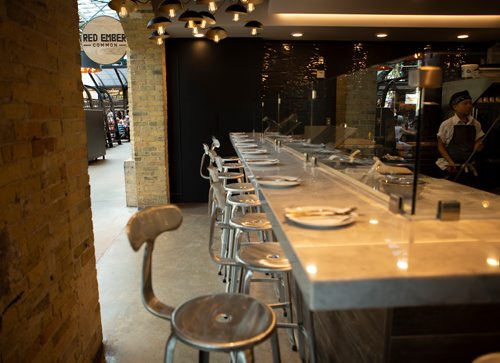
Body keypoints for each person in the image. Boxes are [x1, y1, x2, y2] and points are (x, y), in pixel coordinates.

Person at [436, 90, 484, 184]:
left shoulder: (476, 124)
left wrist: (478, 146)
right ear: (455, 107)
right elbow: (440, 146)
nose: (469, 106)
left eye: (470, 103)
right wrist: (450, 162)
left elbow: (478, 141)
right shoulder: (447, 124)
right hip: (451, 167)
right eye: (465, 103)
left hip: (468, 166)